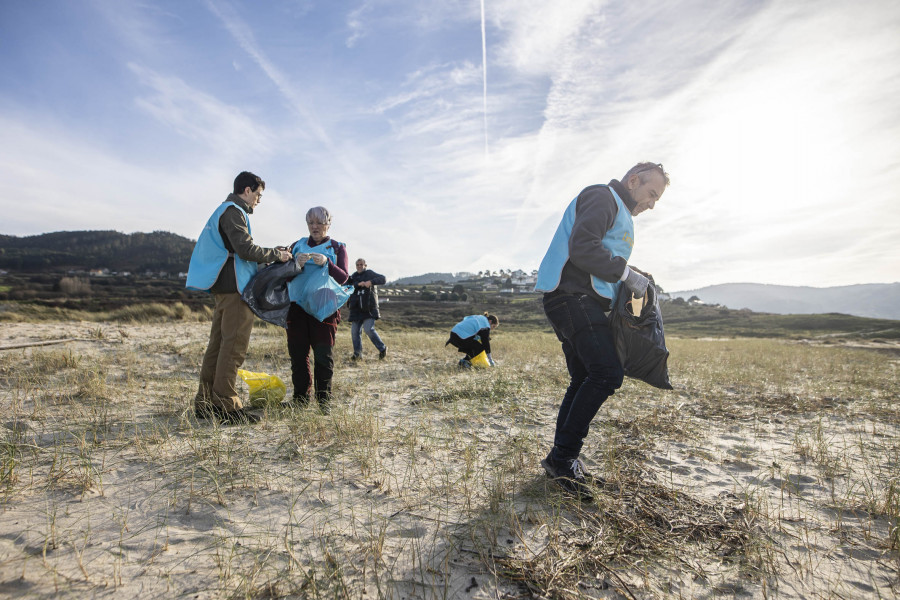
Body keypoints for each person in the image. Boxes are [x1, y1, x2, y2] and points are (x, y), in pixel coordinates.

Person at [534, 162, 670, 501]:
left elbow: (605, 256)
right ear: (633, 180)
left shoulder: (620, 211)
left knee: (583, 378)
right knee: (607, 373)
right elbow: (583, 246)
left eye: (657, 200)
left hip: (577, 300)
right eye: (651, 194)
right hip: (572, 297)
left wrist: (634, 276)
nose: (652, 204)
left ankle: (561, 459)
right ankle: (563, 458)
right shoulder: (602, 196)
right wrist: (626, 274)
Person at [186, 171, 292, 425]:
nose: (258, 201)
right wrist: (278, 255)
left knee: (218, 345)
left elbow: (238, 250)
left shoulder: (224, 210)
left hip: (223, 288)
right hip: (235, 290)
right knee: (233, 346)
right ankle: (226, 405)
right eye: (258, 195)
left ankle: (205, 402)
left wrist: (270, 253)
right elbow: (245, 249)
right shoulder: (234, 211)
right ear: (247, 190)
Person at [284, 206, 349, 411]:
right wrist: (295, 264)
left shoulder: (337, 248)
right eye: (311, 223)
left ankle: (324, 401)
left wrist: (327, 263)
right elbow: (283, 274)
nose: (315, 227)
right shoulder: (296, 245)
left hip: (324, 307)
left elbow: (344, 277)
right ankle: (300, 399)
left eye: (319, 223)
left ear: (328, 224)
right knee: (298, 354)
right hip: (296, 307)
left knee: (323, 354)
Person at [347, 258, 388, 360]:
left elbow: (383, 279)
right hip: (356, 309)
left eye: (361, 264)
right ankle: (357, 354)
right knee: (355, 332)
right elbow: (346, 285)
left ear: (365, 265)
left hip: (369, 309)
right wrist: (358, 284)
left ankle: (382, 348)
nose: (359, 266)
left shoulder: (370, 273)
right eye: (357, 265)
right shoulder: (354, 276)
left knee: (368, 329)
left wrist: (371, 282)